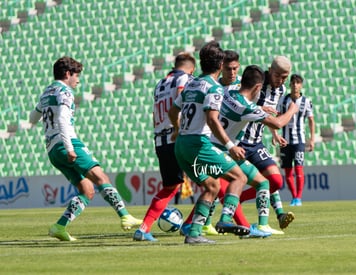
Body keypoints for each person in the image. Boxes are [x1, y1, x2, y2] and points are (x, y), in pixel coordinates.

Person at [29, 56, 142, 241]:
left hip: (52, 150)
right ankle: (125, 216)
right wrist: (69, 147)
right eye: (77, 75)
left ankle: (59, 227)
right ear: (67, 74)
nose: (78, 80)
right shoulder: (64, 92)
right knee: (100, 177)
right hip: (67, 144)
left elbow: (33, 118)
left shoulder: (47, 92)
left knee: (87, 190)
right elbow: (62, 120)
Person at [168, 41, 250, 244]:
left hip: (181, 146)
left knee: (212, 186)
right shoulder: (214, 88)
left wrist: (178, 130)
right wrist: (231, 146)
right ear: (221, 64)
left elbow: (172, 111)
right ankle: (225, 220)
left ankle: (194, 233)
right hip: (198, 143)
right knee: (239, 177)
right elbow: (212, 120)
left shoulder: (191, 83)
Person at [133, 52, 196, 242]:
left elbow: (155, 114)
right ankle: (190, 225)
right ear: (192, 68)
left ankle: (143, 228)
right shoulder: (185, 79)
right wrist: (179, 129)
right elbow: (180, 103)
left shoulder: (160, 83)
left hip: (160, 140)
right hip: (178, 138)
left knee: (170, 187)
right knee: (214, 183)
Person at [238, 56, 296, 234]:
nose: (281, 81)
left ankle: (236, 198)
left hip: (256, 143)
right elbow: (240, 102)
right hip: (239, 141)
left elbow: (270, 117)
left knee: (276, 181)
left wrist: (275, 134)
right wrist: (290, 110)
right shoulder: (256, 83)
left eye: (285, 77)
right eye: (278, 76)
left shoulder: (281, 90)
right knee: (258, 182)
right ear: (270, 70)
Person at [277, 74, 315, 206]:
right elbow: (277, 117)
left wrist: (312, 139)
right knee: (287, 171)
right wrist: (275, 134)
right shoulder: (283, 100)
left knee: (298, 169)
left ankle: (298, 197)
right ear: (290, 85)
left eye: (298, 83)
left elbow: (311, 120)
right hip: (285, 140)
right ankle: (294, 197)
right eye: (293, 83)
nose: (295, 85)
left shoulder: (306, 101)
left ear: (301, 85)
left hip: (299, 141)